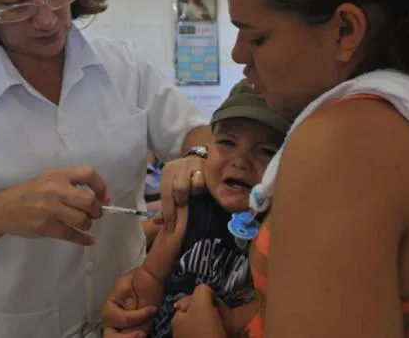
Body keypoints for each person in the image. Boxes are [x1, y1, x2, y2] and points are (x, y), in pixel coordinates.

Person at [101, 0, 409, 337]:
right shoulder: (402, 117)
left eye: (257, 36)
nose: (238, 54)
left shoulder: (341, 143)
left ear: (345, 31)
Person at [0, 0, 211, 337]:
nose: (47, 18)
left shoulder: (122, 66)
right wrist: (1, 210)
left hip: (127, 323)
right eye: (15, 2)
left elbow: (198, 135)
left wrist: (195, 156)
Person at [105, 79, 290, 338]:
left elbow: (272, 300)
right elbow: (151, 273)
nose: (240, 161)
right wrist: (139, 318)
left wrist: (233, 319)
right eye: (227, 142)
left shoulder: (278, 226)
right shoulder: (189, 208)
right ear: (206, 149)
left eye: (266, 151)